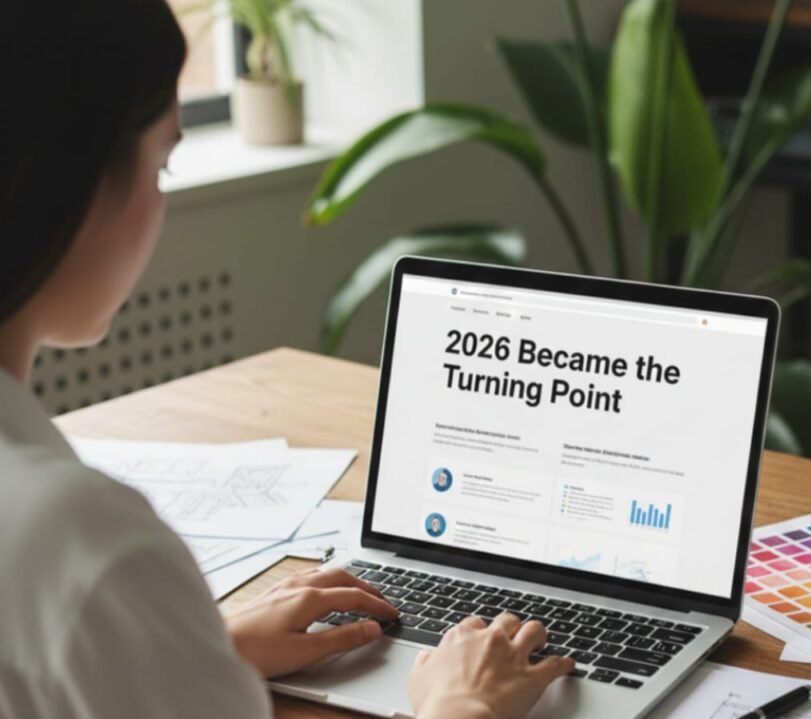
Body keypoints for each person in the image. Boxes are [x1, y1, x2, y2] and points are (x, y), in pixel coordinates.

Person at [0, 3, 573, 718]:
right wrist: (464, 705)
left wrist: (186, 654)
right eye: (161, 162)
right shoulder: (88, 548)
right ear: (74, 182)